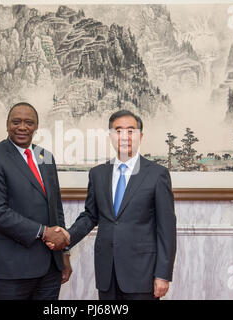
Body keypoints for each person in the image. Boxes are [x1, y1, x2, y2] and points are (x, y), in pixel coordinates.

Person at [48, 109, 176, 300]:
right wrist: (67, 237)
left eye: (130, 130)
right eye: (118, 130)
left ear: (140, 136)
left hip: (142, 272)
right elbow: (91, 216)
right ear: (110, 136)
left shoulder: (157, 174)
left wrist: (163, 275)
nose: (124, 136)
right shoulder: (98, 174)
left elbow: (166, 228)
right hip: (107, 271)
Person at [0, 102, 71, 300]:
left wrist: (64, 253)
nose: (22, 127)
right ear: (7, 124)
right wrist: (44, 232)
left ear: (36, 127)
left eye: (29, 122)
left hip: (50, 268)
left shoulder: (45, 157)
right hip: (10, 269)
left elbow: (56, 208)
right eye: (16, 122)